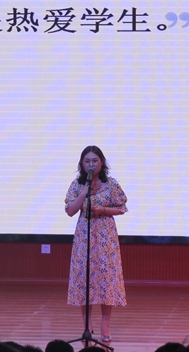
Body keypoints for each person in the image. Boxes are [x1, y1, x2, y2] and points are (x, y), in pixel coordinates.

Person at [64, 145, 128, 343]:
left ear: (102, 162)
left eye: (95, 160)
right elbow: (70, 210)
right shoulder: (77, 185)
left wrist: (104, 210)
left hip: (106, 237)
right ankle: (87, 324)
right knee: (85, 280)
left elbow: (122, 207)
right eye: (87, 161)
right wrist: (85, 191)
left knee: (106, 279)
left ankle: (105, 324)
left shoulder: (111, 184)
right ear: (82, 164)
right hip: (84, 236)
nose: (91, 164)